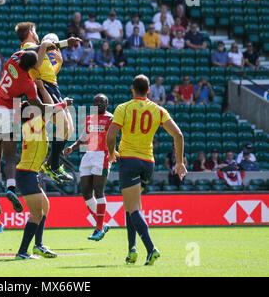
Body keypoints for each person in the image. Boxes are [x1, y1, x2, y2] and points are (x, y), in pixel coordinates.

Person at [106, 74, 187, 266]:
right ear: (149, 90)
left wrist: (111, 154)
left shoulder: (123, 108)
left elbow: (110, 136)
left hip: (129, 162)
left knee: (132, 208)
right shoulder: (158, 110)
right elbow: (179, 134)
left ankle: (151, 249)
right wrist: (179, 163)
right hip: (148, 163)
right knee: (132, 205)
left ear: (132, 89)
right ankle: (131, 249)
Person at [0, 44, 75, 216]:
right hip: (7, 112)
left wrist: (61, 43)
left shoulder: (13, 57)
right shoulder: (28, 84)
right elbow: (42, 108)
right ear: (34, 67)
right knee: (10, 156)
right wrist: (64, 104)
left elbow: (38, 47)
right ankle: (11, 188)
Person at [16, 22, 79, 183]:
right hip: (44, 87)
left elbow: (48, 71)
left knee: (69, 128)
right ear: (31, 32)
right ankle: (52, 165)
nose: (37, 34)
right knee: (64, 126)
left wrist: (59, 63)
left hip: (52, 86)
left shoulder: (36, 47)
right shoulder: (29, 47)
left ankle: (51, 164)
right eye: (35, 31)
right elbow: (36, 66)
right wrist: (48, 44)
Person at [15, 81, 60, 259]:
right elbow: (51, 107)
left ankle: (38, 245)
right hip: (26, 174)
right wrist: (41, 87)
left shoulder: (34, 126)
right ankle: (22, 252)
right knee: (36, 214)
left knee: (44, 207)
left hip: (29, 174)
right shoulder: (34, 125)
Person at [63, 94, 113, 241]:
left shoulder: (111, 119)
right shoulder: (89, 118)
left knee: (99, 190)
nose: (99, 104)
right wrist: (73, 147)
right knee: (86, 192)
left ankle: (98, 228)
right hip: (88, 155)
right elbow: (86, 136)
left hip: (102, 156)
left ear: (107, 104)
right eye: (96, 102)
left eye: (102, 102)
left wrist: (113, 151)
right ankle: (102, 224)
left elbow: (114, 136)